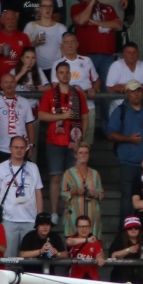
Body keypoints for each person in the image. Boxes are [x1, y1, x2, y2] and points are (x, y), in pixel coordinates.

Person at [106, 83, 143, 219]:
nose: (136, 94)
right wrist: (129, 139)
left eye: (138, 91)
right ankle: (126, 234)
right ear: (127, 93)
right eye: (132, 91)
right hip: (128, 164)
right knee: (128, 199)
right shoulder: (120, 110)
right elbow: (110, 134)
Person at [0, 134, 44, 253]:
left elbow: (38, 193)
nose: (19, 150)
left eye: (22, 147)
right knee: (9, 258)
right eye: (16, 147)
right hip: (8, 219)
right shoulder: (1, 167)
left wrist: (39, 218)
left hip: (30, 219)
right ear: (10, 148)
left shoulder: (33, 167)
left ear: (26, 149)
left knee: (30, 256)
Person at [36, 60, 84, 189]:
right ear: (56, 75)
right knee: (56, 177)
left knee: (74, 178)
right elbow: (41, 115)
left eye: (67, 72)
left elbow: (85, 117)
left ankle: (71, 209)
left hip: (74, 142)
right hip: (54, 142)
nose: (65, 75)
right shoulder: (49, 94)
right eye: (61, 73)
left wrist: (81, 138)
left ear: (71, 74)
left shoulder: (78, 94)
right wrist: (62, 116)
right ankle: (54, 210)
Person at [70, 0, 121, 84]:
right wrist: (92, 3)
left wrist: (95, 23)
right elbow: (81, 20)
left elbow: (117, 24)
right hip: (87, 55)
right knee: (87, 86)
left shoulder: (108, 8)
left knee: (107, 88)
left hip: (108, 55)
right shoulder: (77, 7)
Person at [0, 70, 36, 161]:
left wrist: (31, 145)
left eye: (12, 82)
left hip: (22, 148)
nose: (9, 85)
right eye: (6, 82)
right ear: (1, 85)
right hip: (0, 148)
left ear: (16, 84)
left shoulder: (25, 102)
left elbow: (30, 125)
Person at [60, 139, 102, 238]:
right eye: (81, 153)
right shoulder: (68, 173)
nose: (84, 155)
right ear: (75, 155)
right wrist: (74, 191)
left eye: (86, 153)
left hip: (92, 213)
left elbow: (101, 193)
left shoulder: (95, 174)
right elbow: (62, 193)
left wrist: (94, 193)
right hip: (75, 212)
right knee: (74, 243)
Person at [0, 6, 32, 86]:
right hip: (0, 80)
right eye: (8, 19)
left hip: (21, 80)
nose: (10, 22)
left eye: (13, 19)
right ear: (2, 20)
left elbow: (31, 58)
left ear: (16, 21)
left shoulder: (24, 37)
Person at [26, 0, 67, 78]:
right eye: (44, 6)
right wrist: (35, 43)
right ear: (40, 8)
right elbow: (24, 49)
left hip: (56, 69)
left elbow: (65, 51)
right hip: (35, 69)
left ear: (53, 9)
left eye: (50, 6)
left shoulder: (61, 28)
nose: (47, 9)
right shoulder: (30, 26)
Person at [17, 212, 63, 278]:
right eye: (42, 224)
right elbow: (22, 254)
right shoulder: (29, 236)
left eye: (47, 224)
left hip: (50, 275)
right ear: (37, 226)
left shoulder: (55, 236)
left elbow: (65, 254)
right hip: (30, 274)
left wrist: (57, 253)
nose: (45, 227)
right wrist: (40, 251)